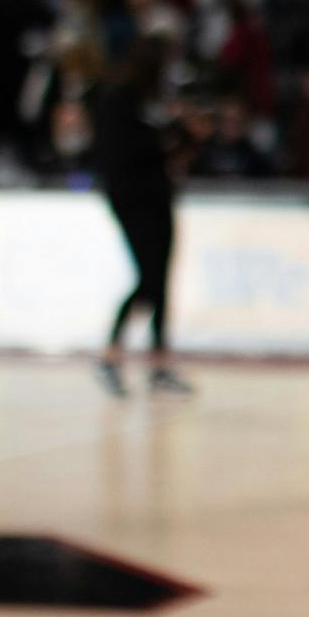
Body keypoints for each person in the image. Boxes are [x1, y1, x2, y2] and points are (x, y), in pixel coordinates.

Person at [92, 35, 200, 398]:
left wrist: (183, 134)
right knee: (149, 278)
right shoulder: (119, 100)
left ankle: (158, 363)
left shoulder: (150, 102)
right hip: (133, 199)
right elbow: (122, 152)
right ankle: (111, 355)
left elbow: (171, 149)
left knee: (160, 279)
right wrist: (164, 136)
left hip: (157, 197)